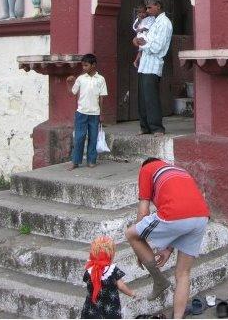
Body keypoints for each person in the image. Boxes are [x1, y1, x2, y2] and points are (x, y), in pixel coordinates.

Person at [125, 158, 210, 319]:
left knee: (131, 234)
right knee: (183, 274)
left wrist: (139, 247)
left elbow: (144, 212)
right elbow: (181, 217)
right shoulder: (179, 171)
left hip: (177, 215)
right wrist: (168, 249)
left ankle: (159, 281)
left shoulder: (146, 169)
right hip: (201, 216)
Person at [133, 0, 172, 135]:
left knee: (151, 97)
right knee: (142, 98)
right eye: (147, 7)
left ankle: (157, 128)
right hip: (145, 64)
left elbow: (158, 47)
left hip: (154, 64)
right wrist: (139, 42)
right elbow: (145, 40)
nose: (147, 10)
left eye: (150, 7)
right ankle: (145, 127)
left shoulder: (165, 23)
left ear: (158, 6)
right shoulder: (153, 22)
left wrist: (142, 43)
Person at [66, 53, 108, 170]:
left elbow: (101, 97)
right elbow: (72, 93)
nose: (84, 68)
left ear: (93, 65)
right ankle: (75, 161)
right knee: (79, 137)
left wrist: (101, 114)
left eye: (86, 65)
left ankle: (91, 160)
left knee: (93, 137)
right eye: (83, 66)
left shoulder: (101, 79)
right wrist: (68, 83)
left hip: (95, 114)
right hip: (81, 113)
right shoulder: (80, 79)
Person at [80, 235, 138, 319]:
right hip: (111, 307)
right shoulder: (113, 270)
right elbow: (121, 286)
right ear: (111, 255)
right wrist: (132, 293)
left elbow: (86, 280)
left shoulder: (89, 270)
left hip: (91, 307)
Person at [132, 3, 155, 70]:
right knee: (140, 50)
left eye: (143, 12)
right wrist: (138, 21)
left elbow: (148, 27)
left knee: (141, 50)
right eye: (139, 12)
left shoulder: (150, 18)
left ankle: (137, 61)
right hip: (139, 36)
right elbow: (134, 27)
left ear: (147, 12)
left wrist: (141, 29)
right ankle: (137, 61)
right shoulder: (138, 19)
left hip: (146, 36)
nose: (141, 14)